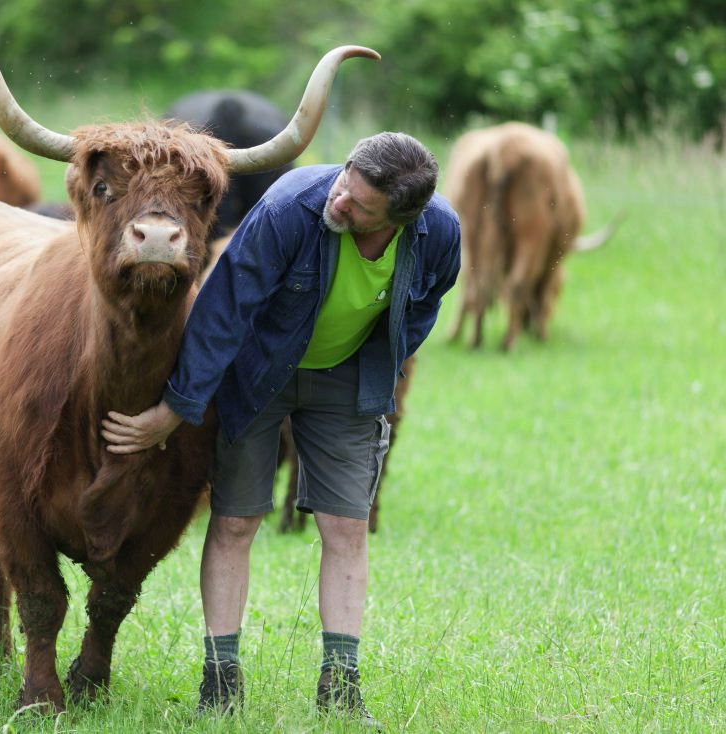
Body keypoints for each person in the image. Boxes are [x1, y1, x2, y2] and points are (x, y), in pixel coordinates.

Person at [102, 132, 460, 726]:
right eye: (345, 182)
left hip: (346, 378)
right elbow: (222, 309)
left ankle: (340, 688)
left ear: (401, 220)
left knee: (347, 525)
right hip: (256, 369)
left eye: (360, 206)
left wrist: (384, 365)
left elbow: (426, 303)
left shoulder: (439, 233)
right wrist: (176, 408)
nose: (340, 201)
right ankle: (220, 682)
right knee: (237, 519)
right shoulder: (289, 206)